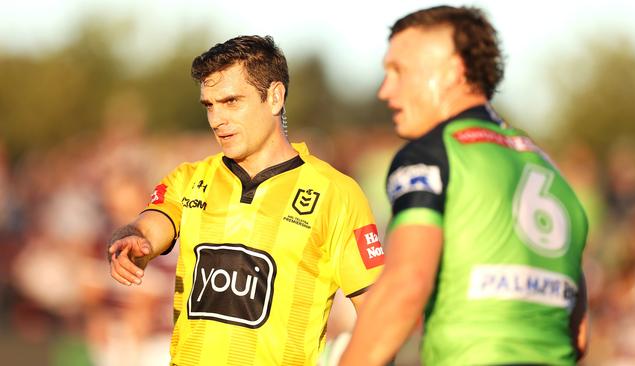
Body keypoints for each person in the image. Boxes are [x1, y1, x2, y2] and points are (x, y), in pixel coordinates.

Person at [107, 35, 385, 365]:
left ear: (274, 97)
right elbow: (151, 225)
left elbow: (379, 311)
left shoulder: (336, 193)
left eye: (231, 102)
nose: (216, 119)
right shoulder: (189, 178)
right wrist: (134, 241)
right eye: (209, 105)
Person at [340, 6, 588, 366]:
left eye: (399, 71)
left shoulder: (431, 154)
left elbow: (405, 286)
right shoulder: (550, 171)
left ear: (453, 71)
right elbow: (578, 336)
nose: (385, 90)